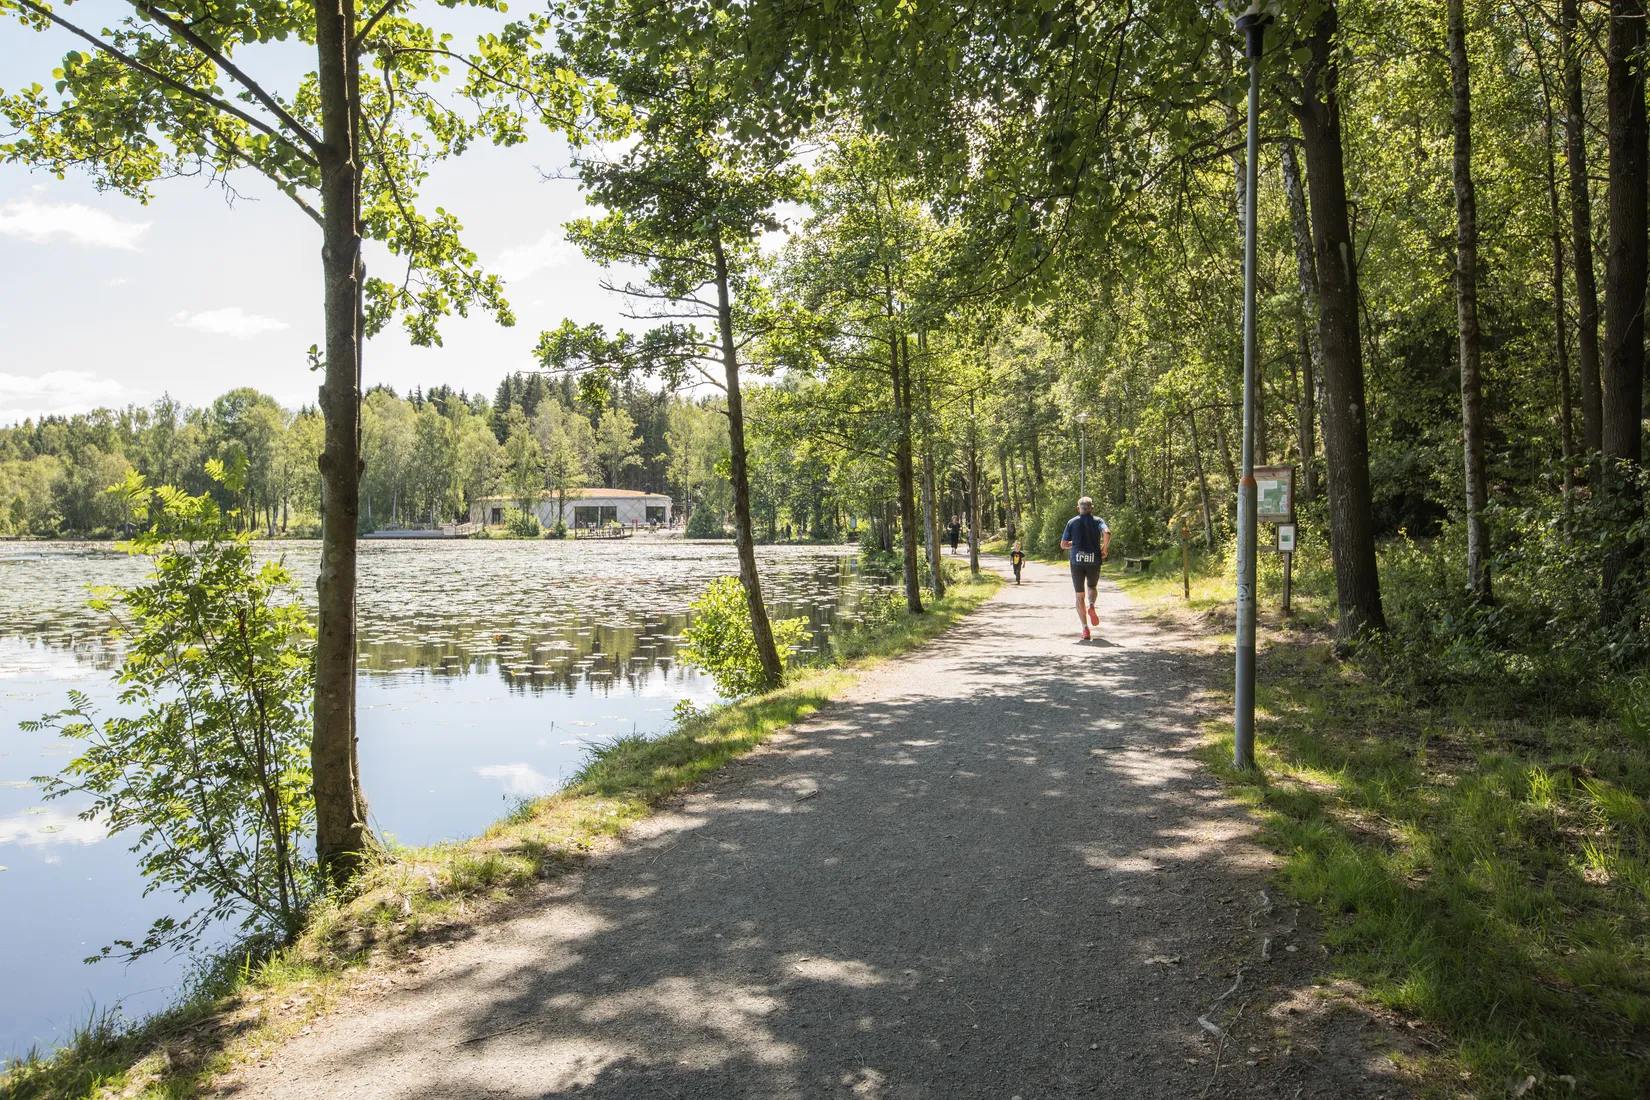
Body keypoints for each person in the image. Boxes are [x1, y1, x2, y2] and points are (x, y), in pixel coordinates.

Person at [1060, 496, 1111, 640]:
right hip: (1094, 559)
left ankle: (1085, 629)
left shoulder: (1072, 522)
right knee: (1092, 587)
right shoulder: (1098, 521)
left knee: (1079, 595)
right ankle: (1092, 605)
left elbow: (1063, 544)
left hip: (1077, 561)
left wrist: (1073, 545)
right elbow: (1106, 533)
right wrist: (1104, 548)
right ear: (1092, 509)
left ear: (1078, 509)